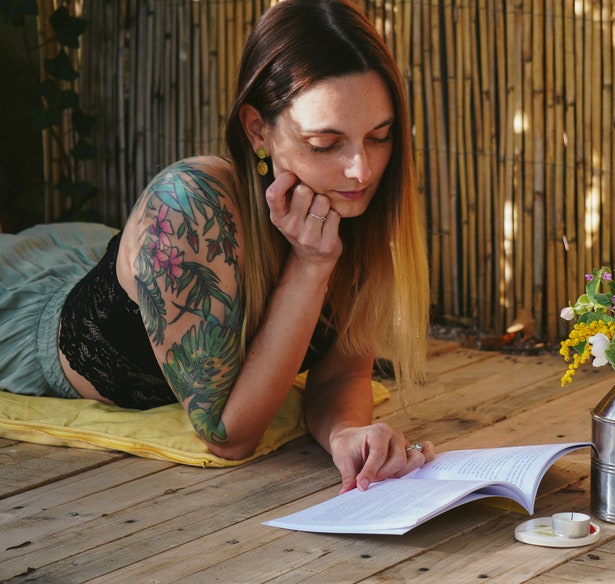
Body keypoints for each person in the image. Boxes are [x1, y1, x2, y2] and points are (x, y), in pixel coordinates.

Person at [0, 0, 434, 494]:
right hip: (18, 312)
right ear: (257, 131)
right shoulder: (188, 206)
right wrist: (311, 265)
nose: (361, 169)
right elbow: (228, 435)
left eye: (379, 136)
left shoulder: (348, 202)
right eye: (324, 144)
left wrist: (346, 434)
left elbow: (341, 374)